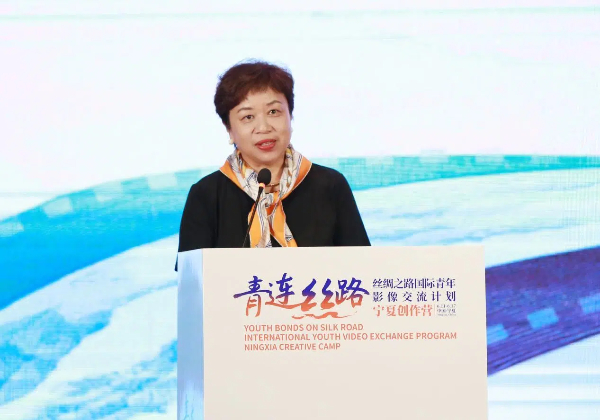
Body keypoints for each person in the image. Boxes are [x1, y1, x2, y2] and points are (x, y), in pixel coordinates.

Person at [177, 59, 370, 257]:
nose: (264, 127)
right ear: (229, 130)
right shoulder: (206, 196)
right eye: (248, 117)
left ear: (290, 117)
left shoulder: (330, 186)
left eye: (273, 112)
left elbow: (362, 265)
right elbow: (193, 274)